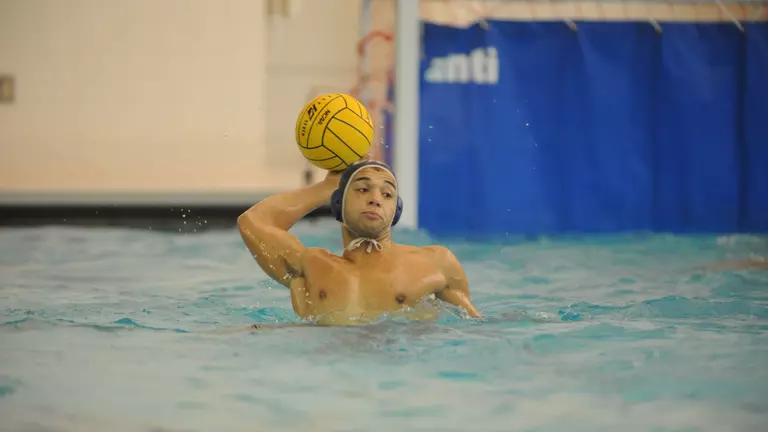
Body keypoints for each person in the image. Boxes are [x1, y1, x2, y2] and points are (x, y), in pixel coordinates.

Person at [236, 159, 482, 326]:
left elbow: (475, 329)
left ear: (396, 211)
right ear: (338, 204)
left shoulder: (435, 263)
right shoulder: (313, 266)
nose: (376, 199)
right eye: (362, 189)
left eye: (387, 194)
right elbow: (253, 221)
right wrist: (327, 186)